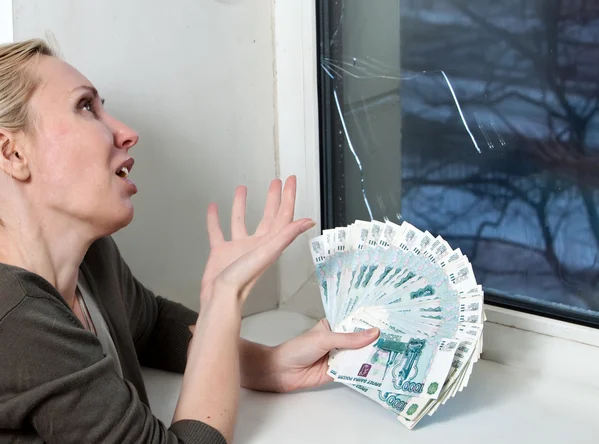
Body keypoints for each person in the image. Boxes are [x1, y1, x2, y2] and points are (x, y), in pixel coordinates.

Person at [0, 39, 379, 443]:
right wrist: (223, 297)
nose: (127, 133)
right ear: (13, 154)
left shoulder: (91, 260)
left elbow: (154, 326)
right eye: (85, 107)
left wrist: (268, 365)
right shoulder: (18, 320)